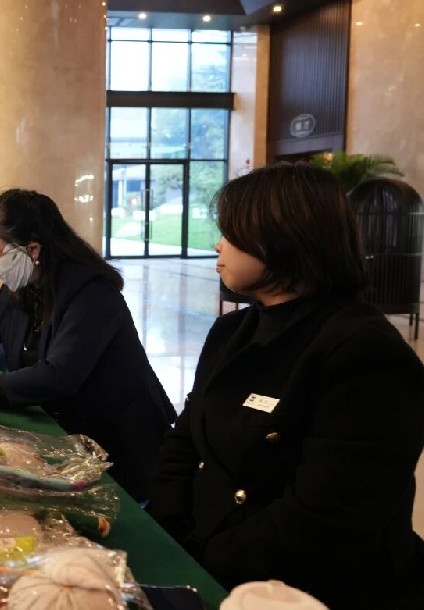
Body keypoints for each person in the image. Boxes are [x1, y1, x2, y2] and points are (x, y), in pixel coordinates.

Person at [148, 164, 424, 608]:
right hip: (203, 556)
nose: (218, 245)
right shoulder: (232, 330)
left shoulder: (364, 352)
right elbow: (184, 441)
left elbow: (324, 521)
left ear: (283, 239)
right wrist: (169, 530)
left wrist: (203, 561)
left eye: (232, 233)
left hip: (297, 590)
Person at [0, 189, 175, 501]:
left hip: (119, 440)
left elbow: (60, 374)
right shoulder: (27, 283)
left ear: (33, 248)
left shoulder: (91, 293)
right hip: (69, 428)